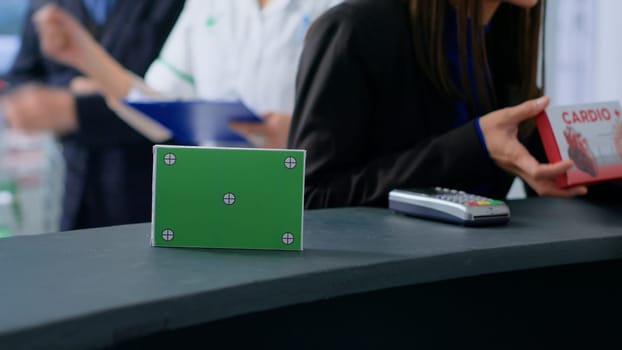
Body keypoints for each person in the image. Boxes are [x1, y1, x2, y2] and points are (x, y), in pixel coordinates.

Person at [287, 0, 599, 209]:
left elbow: (551, 169)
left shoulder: (503, 41)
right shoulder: (355, 29)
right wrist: (474, 144)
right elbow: (310, 197)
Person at [31, 0, 342, 149]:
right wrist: (85, 55)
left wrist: (304, 136)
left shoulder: (339, 8)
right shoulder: (206, 6)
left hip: (307, 205)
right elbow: (158, 109)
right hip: (216, 194)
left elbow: (378, 129)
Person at [0, 0, 185, 230]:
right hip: (74, 192)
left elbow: (174, 108)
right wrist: (73, 89)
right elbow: (19, 84)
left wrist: (74, 109)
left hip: (149, 195)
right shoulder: (48, 5)